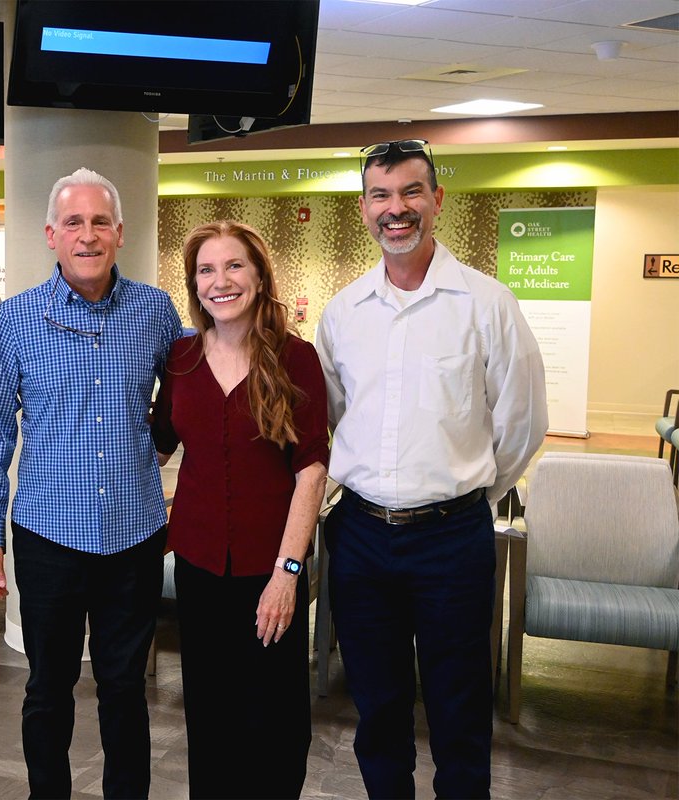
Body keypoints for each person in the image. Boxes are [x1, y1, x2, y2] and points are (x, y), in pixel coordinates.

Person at [315, 139, 547, 799]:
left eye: (411, 192)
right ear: (363, 208)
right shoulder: (343, 313)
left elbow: (522, 423)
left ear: (437, 200)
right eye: (382, 195)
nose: (397, 209)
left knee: (459, 709)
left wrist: (463, 495)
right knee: (378, 709)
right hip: (359, 538)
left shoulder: (487, 305)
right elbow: (335, 416)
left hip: (452, 541)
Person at [0, 166, 182, 799]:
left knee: (125, 688)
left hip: (133, 536)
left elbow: (184, 399)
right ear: (50, 235)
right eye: (73, 222)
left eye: (98, 222)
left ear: (119, 232)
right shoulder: (14, 320)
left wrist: (154, 444)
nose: (86, 235)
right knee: (48, 686)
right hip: (46, 536)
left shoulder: (155, 310)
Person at [152, 220, 329, 799]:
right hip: (200, 567)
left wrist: (289, 573)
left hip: (270, 571)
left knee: (274, 720)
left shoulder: (295, 359)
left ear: (258, 276)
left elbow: (311, 471)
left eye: (233, 267)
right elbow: (153, 446)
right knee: (209, 717)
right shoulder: (178, 359)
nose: (219, 281)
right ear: (193, 283)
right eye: (206, 269)